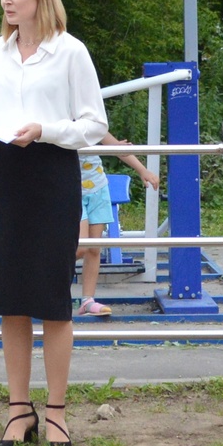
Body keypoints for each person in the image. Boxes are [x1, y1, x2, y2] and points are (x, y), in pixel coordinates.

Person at [0, 0, 108, 446]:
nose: (6, 0)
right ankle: (16, 410)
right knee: (8, 296)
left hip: (51, 173)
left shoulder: (70, 52)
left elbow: (93, 124)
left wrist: (45, 131)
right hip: (4, 173)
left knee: (52, 298)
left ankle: (56, 412)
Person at [72, 136, 160, 320]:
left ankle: (87, 300)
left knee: (94, 248)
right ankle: (51, 288)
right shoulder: (59, 120)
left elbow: (116, 146)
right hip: (71, 189)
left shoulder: (92, 121)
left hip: (98, 188)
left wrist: (142, 170)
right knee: (80, 248)